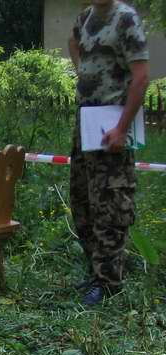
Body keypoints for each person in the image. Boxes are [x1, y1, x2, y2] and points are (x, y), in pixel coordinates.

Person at [68, 0, 150, 306]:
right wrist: (82, 71)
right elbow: (73, 41)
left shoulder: (125, 18)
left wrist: (122, 127)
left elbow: (141, 77)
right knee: (82, 200)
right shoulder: (85, 18)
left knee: (111, 205)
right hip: (86, 123)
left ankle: (109, 283)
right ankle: (95, 274)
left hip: (113, 124)